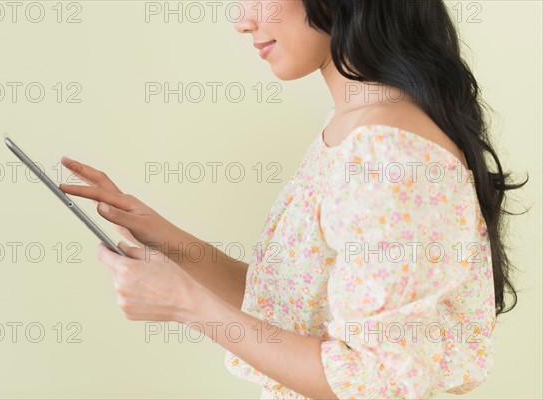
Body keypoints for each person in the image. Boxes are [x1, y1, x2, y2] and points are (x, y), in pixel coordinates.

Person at [59, 1, 528, 398]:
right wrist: (163, 236)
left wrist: (186, 305)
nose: (242, 20)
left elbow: (372, 378)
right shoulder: (355, 126)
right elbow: (291, 308)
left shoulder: (388, 150)